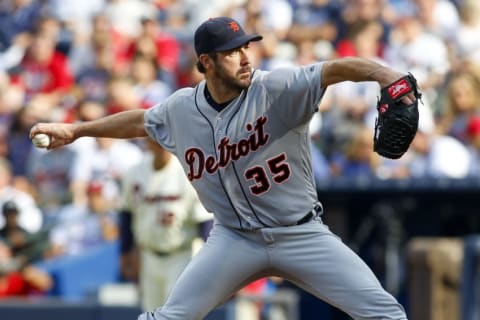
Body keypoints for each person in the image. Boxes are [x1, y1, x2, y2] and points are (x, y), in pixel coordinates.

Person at [30, 16, 417, 320]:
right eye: (233, 51)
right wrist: (77, 130)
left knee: (384, 313)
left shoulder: (277, 88)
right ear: (206, 62)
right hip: (234, 239)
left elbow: (333, 69)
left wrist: (385, 75)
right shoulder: (181, 110)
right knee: (169, 317)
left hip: (300, 234)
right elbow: (140, 120)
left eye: (247, 47)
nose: (246, 57)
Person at [119, 137, 212, 312]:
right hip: (148, 255)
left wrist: (208, 263)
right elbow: (126, 213)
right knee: (151, 312)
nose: (160, 144)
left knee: (176, 313)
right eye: (155, 139)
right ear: (147, 141)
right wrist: (125, 251)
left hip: (182, 254)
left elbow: (205, 222)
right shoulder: (135, 172)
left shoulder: (186, 172)